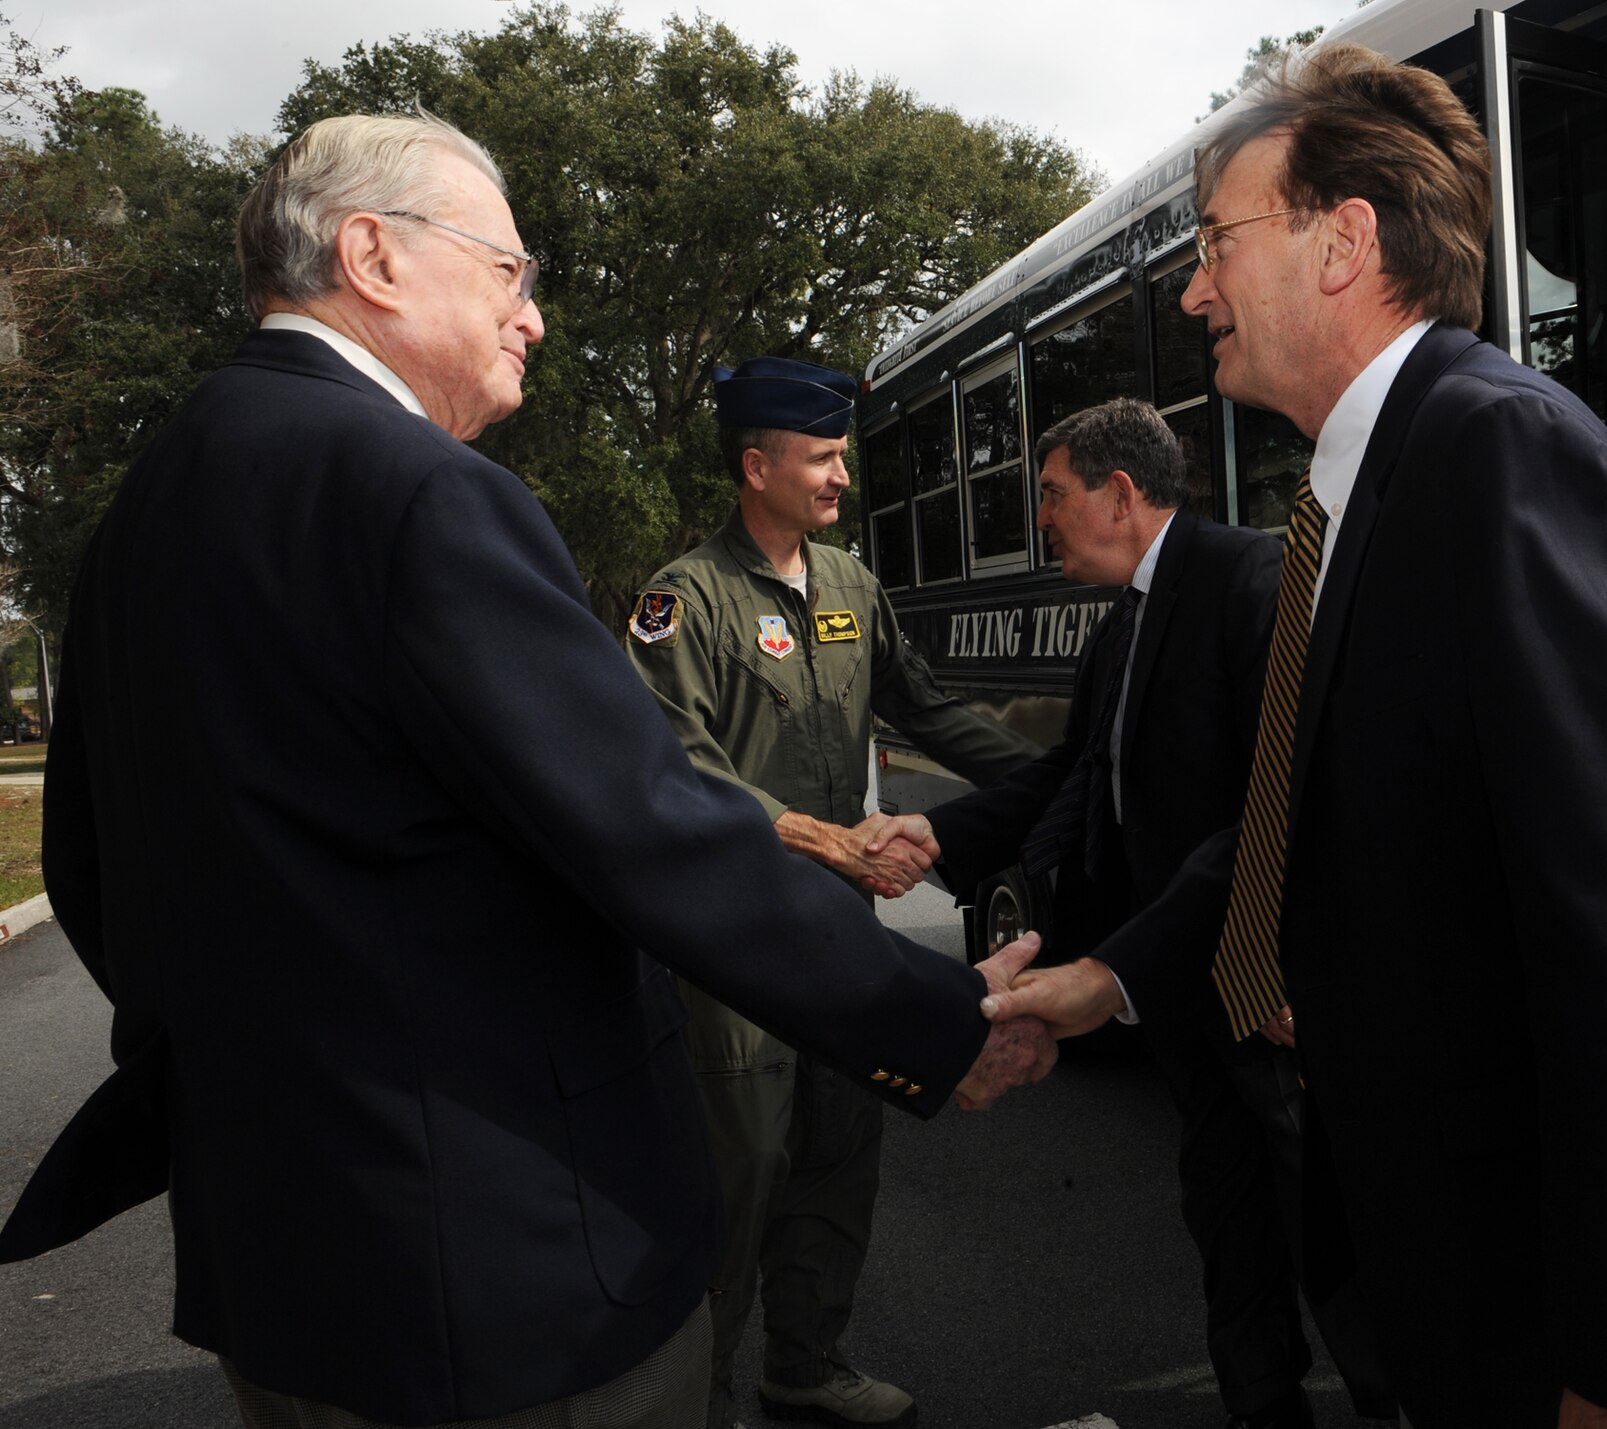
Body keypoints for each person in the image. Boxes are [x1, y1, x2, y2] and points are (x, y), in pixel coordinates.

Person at [0, 113, 1054, 1429]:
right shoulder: (420, 492)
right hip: (507, 1279)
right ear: (373, 255)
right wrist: (938, 1018)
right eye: (510, 273)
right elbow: (652, 831)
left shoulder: (149, 507)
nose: (534, 318)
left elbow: (95, 869)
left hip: (282, 1261)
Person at [979, 43, 1607, 1429]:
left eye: (1216, 242)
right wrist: (1107, 980)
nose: (1193, 290)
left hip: (1556, 1321)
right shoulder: (1347, 497)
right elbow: (1296, 820)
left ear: (1345, 240)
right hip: (1444, 1272)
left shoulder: (1501, 454)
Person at [887, 397, 1385, 1427]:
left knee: (1338, 1240)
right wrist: (940, 840)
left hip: (1264, 989)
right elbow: (1079, 772)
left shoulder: (1252, 582)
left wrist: (1113, 970)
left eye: (1053, 498)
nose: (1042, 525)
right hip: (1187, 993)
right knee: (1229, 1227)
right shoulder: (1126, 619)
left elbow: (1273, 809)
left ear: (1119, 494)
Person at [624, 356, 1042, 1429]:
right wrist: (829, 843)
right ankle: (698, 1399)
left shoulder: (853, 584)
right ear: (755, 465)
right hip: (732, 941)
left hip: (838, 929)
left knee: (841, 1146)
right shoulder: (683, 600)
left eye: (841, 458)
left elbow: (928, 712)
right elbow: (674, 765)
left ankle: (803, 1363)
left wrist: (1060, 783)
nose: (840, 479)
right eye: (821, 459)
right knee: (743, 1166)